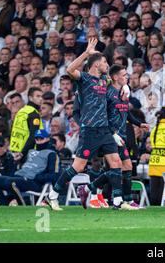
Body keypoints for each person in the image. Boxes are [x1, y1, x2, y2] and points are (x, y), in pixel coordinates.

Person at [45, 39, 125, 211]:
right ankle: (52, 196)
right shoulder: (85, 79)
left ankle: (118, 200)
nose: (107, 65)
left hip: (104, 130)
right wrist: (87, 54)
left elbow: (113, 88)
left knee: (116, 161)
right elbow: (69, 69)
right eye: (104, 62)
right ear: (96, 65)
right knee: (78, 167)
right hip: (89, 130)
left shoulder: (105, 80)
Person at [78, 64, 149, 209]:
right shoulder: (107, 94)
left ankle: (89, 188)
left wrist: (138, 123)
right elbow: (102, 116)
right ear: (115, 77)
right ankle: (124, 201)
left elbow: (126, 112)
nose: (127, 77)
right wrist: (112, 133)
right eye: (124, 75)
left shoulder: (124, 92)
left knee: (119, 168)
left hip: (122, 135)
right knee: (122, 166)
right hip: (109, 135)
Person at [0, 130, 60, 206]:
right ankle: (7, 203)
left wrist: (37, 177)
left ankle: (21, 204)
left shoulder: (52, 154)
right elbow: (21, 165)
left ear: (47, 139)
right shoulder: (30, 151)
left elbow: (53, 175)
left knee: (10, 182)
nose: (39, 141)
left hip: (33, 181)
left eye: (41, 139)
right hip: (19, 177)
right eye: (37, 139)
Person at [9, 87, 44, 162]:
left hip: (15, 151)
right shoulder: (33, 113)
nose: (41, 99)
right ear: (30, 98)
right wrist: (22, 153)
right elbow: (33, 136)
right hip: (27, 153)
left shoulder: (21, 111)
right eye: (38, 96)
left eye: (42, 96)